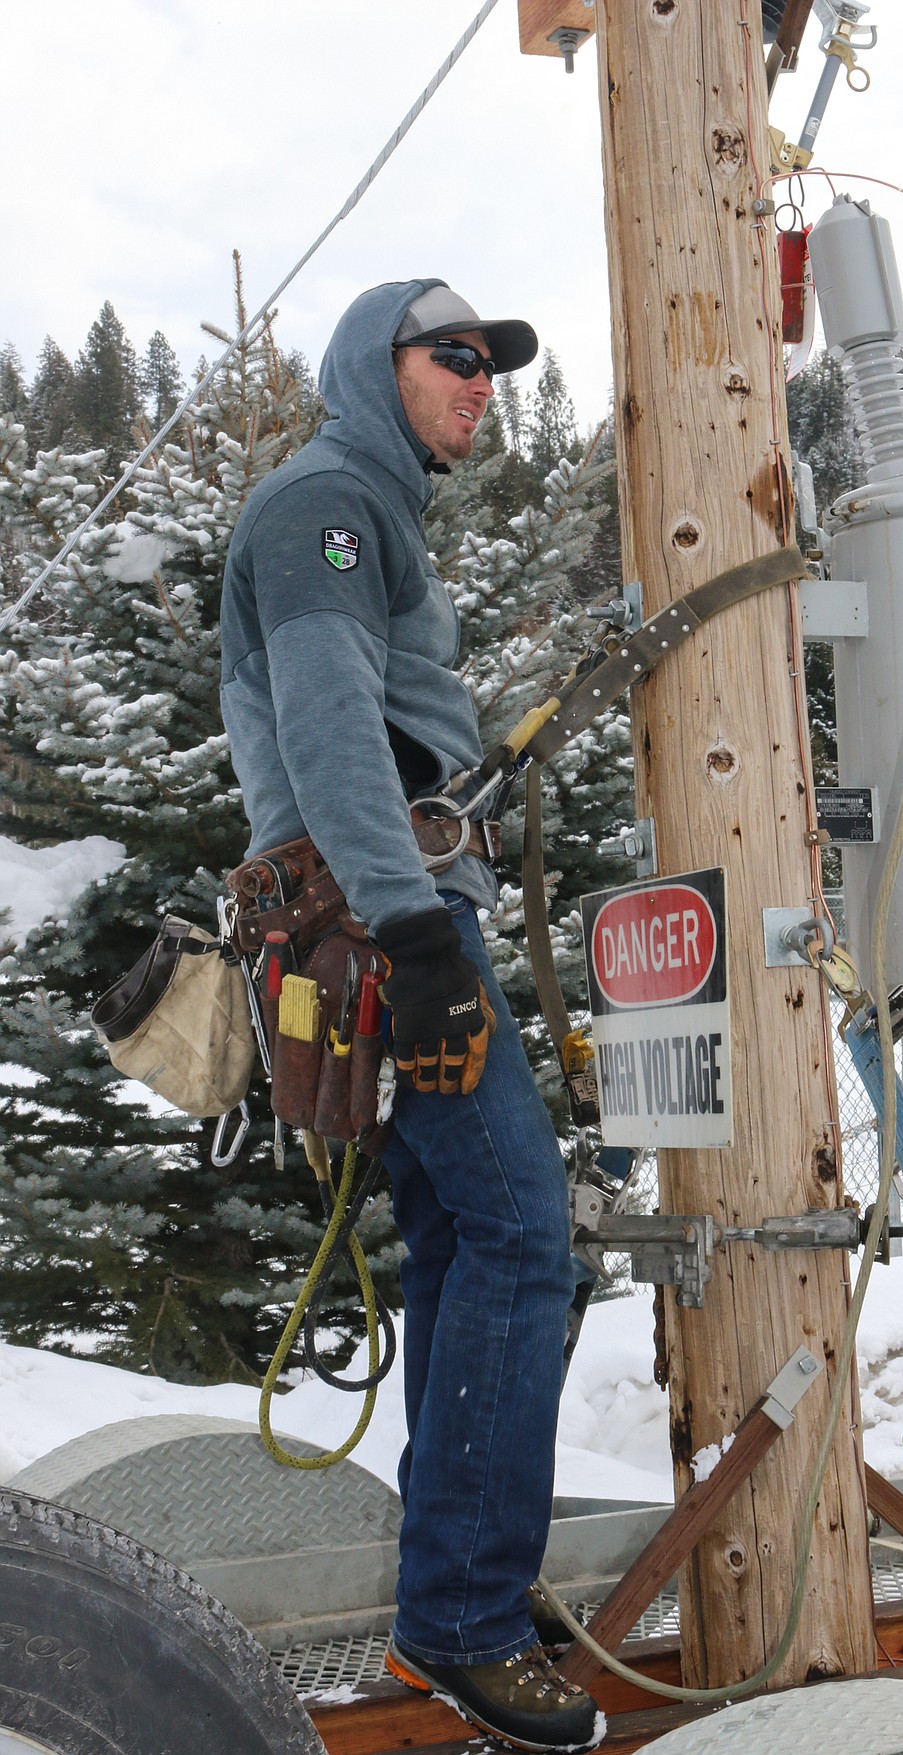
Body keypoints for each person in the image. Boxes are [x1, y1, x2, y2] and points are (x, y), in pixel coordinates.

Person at [219, 281, 604, 1753]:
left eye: (494, 363)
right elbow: (325, 735)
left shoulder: (368, 510)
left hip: (377, 918)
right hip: (377, 928)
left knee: (461, 1240)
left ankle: (460, 1590)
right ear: (374, 369)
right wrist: (419, 938)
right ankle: (461, 1618)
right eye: (453, 358)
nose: (481, 381)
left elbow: (367, 725)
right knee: (522, 1240)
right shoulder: (323, 504)